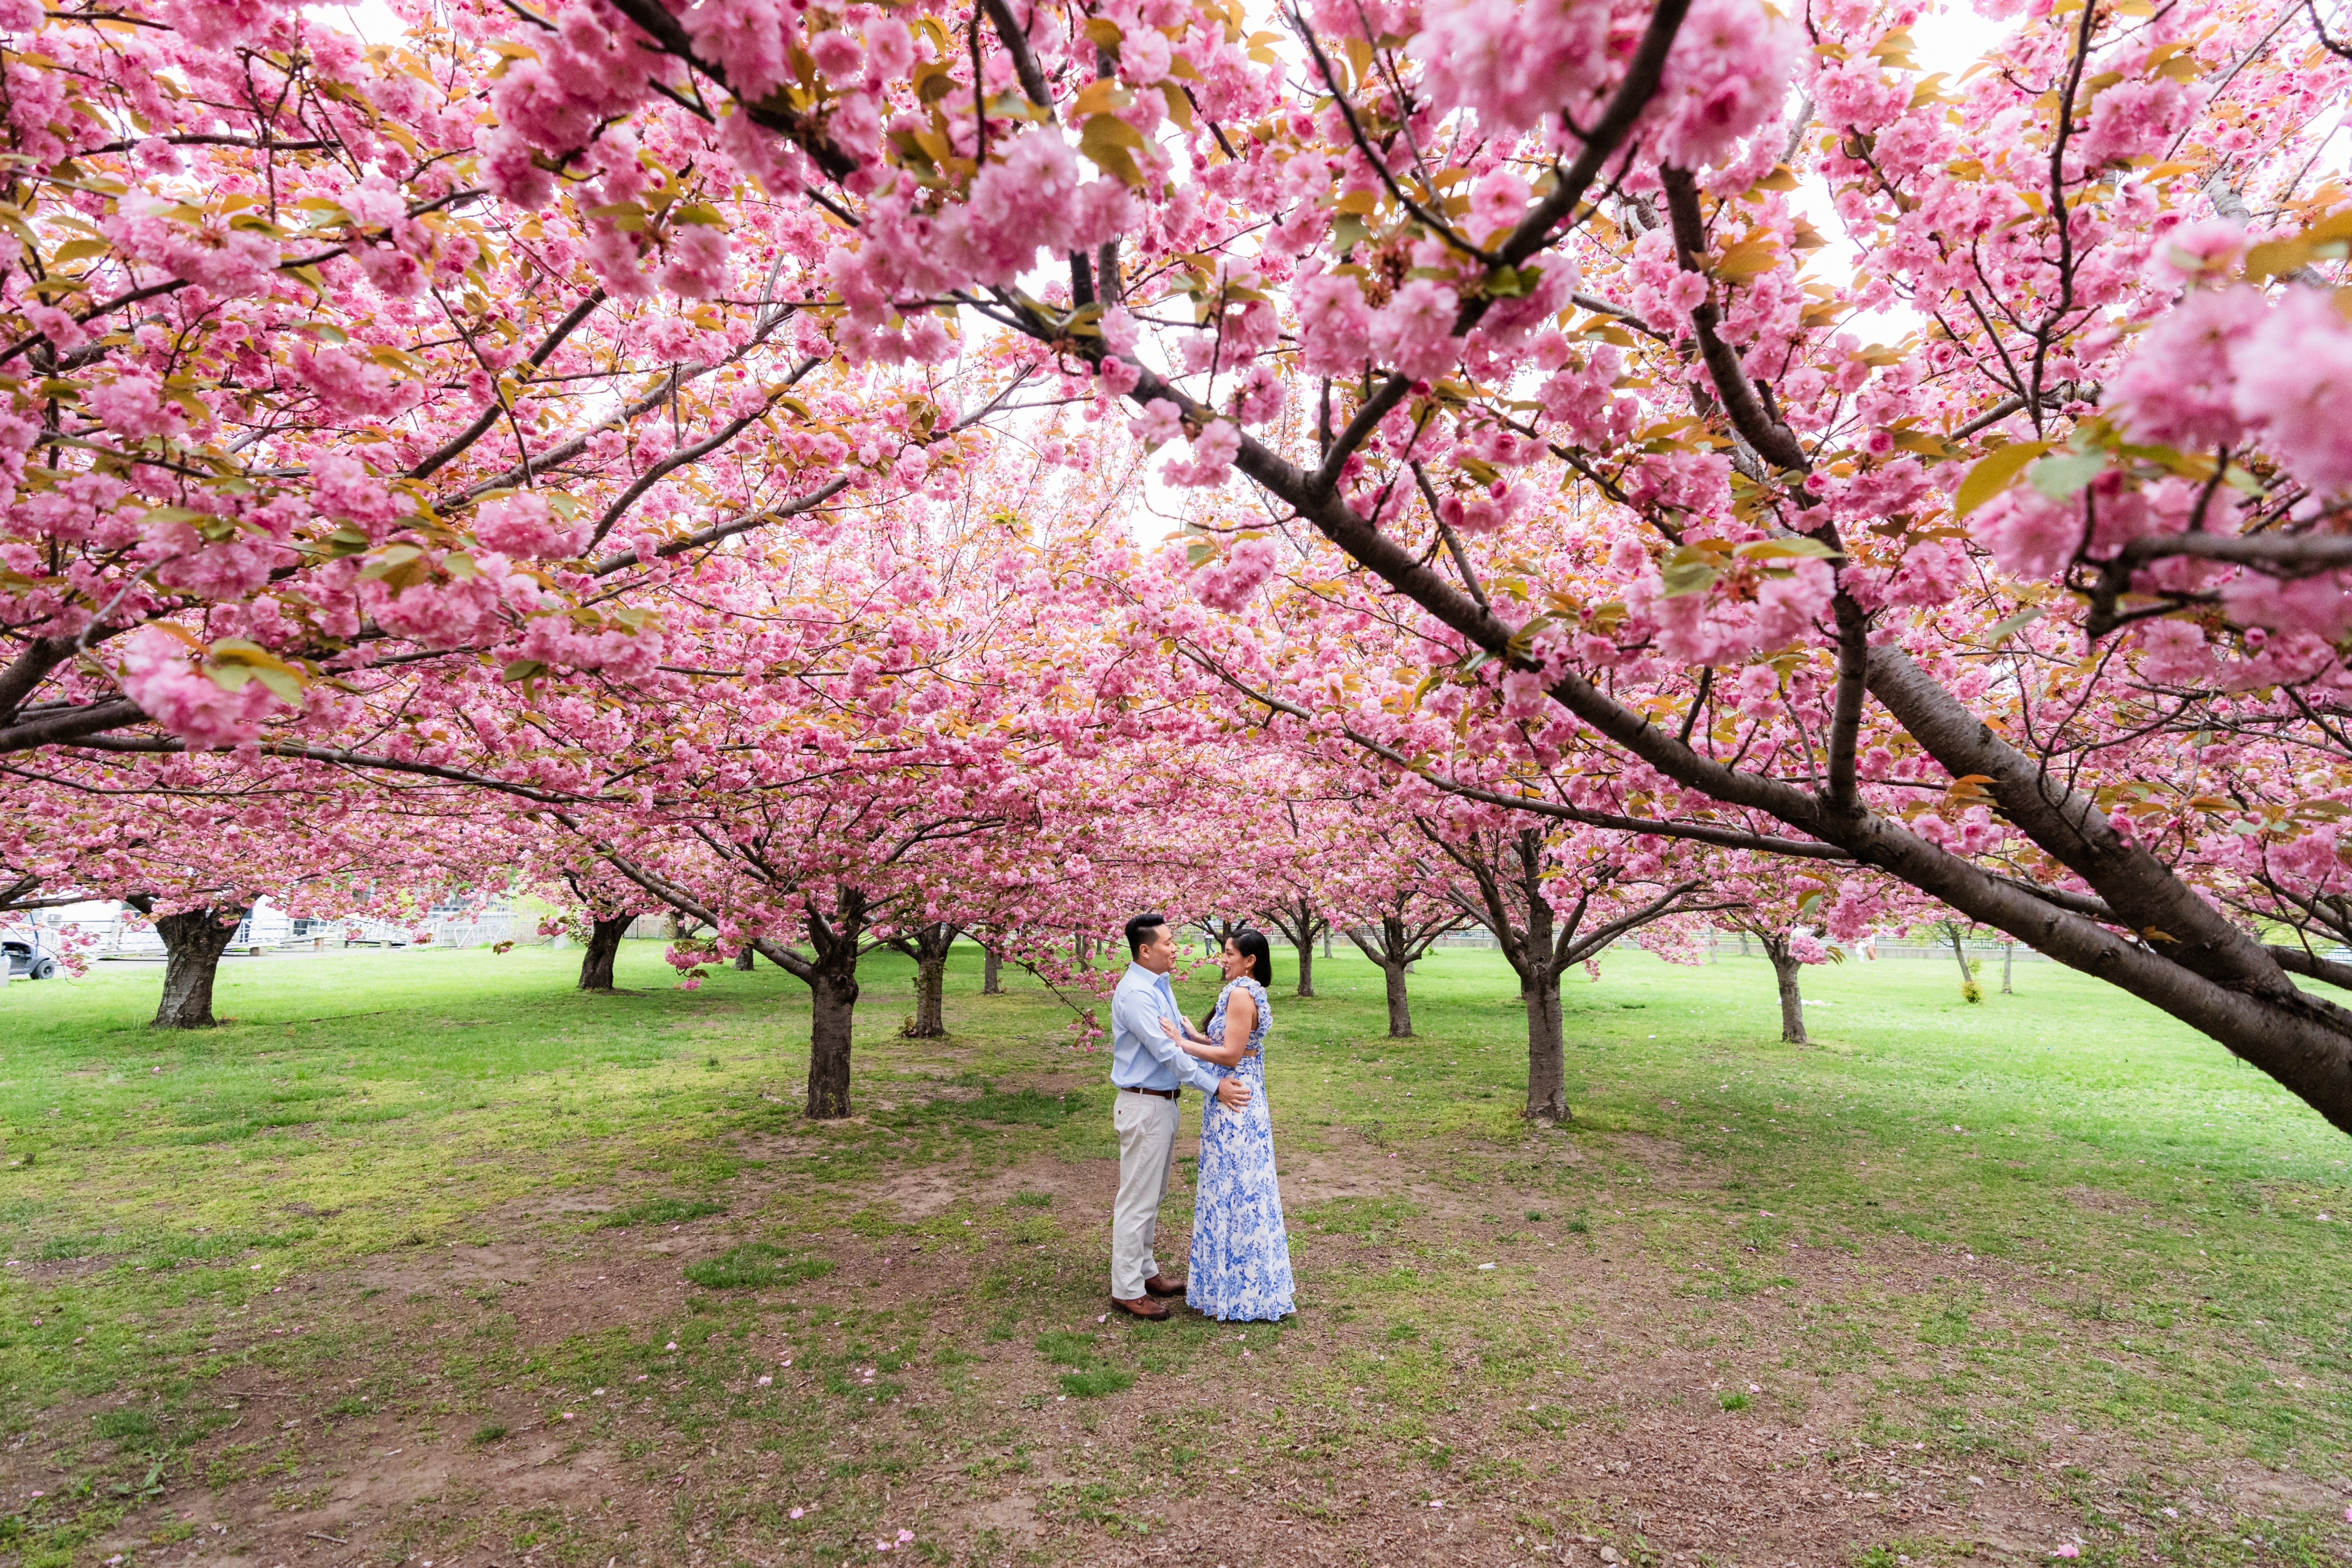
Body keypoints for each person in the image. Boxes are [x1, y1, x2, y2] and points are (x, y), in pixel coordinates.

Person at [1107, 913, 1252, 1321]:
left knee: (1154, 1193)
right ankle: (1128, 1288)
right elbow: (1167, 1052)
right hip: (1144, 1102)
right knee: (1137, 1197)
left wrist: (1210, 1044)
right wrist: (1215, 1085)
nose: (1175, 948)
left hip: (1162, 1102)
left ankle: (1146, 1270)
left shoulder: (1159, 985)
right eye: (1169, 941)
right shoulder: (1137, 993)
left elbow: (1182, 1041)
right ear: (1145, 950)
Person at [1162, 930, 1295, 1322]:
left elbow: (1232, 1053)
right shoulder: (1246, 990)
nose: (1223, 957)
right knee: (1238, 1187)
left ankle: (1241, 1291)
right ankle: (1235, 1286)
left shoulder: (1241, 993)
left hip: (1234, 1100)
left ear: (1250, 959)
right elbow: (1237, 1043)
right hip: (1240, 1095)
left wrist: (1181, 1043)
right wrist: (1197, 1035)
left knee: (1236, 1190)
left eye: (1230, 952)